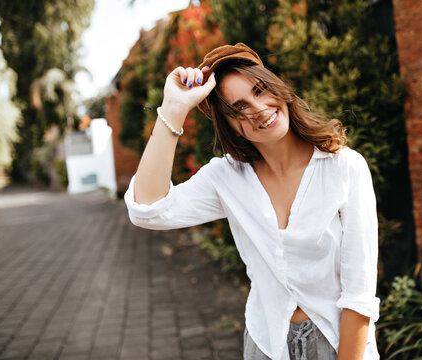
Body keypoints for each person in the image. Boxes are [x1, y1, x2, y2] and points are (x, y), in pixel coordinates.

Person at [124, 43, 380, 360]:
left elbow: (359, 295)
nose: (258, 108)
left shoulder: (346, 168)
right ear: (231, 126)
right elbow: (148, 211)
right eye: (239, 108)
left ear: (277, 88)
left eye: (261, 90)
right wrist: (174, 109)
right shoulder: (227, 177)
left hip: (340, 344)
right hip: (266, 344)